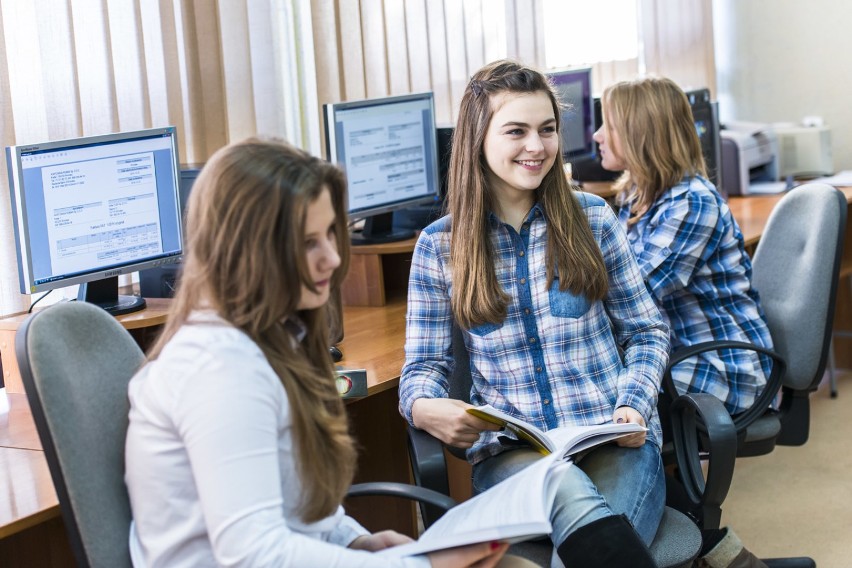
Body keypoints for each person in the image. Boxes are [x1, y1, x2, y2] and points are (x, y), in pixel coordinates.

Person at [124, 137, 513, 568]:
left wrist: (354, 542)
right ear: (250, 251)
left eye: (331, 233)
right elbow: (253, 552)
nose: (332, 258)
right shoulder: (218, 371)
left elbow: (294, 505)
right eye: (309, 242)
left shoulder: (274, 339)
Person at [398, 60, 671, 568]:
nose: (537, 146)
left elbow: (647, 331)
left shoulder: (592, 218)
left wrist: (635, 402)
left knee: (590, 546)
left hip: (612, 437)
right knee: (565, 489)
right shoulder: (439, 247)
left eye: (547, 130)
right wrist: (421, 406)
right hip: (513, 454)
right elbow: (422, 370)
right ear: (478, 138)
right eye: (516, 131)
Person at [595, 76, 774, 568]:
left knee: (605, 402)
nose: (595, 136)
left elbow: (627, 296)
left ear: (639, 132)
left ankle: (668, 542)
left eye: (606, 124)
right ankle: (708, 547)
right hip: (681, 352)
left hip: (723, 363)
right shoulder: (637, 196)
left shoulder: (690, 202)